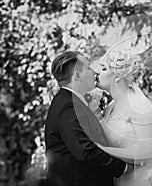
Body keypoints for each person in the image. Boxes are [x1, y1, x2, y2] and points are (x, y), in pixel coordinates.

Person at [93, 50, 152, 186]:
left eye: (104, 68)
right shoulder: (110, 107)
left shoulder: (138, 105)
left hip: (143, 180)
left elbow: (147, 152)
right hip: (124, 178)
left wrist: (103, 150)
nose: (98, 72)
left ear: (117, 76)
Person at [45, 51, 132, 186]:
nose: (93, 71)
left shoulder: (69, 102)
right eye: (89, 67)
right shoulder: (68, 105)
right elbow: (85, 151)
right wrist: (123, 167)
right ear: (77, 75)